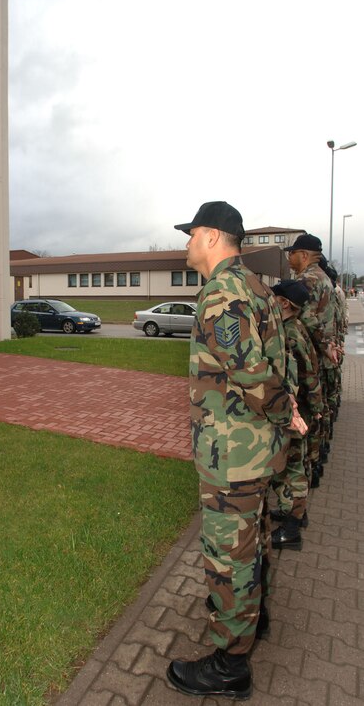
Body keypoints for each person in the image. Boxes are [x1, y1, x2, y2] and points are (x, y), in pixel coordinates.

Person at [166, 202, 306, 700]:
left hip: (234, 455)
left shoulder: (222, 292)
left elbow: (250, 371)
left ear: (211, 236)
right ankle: (253, 616)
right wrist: (286, 410)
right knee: (253, 540)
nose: (186, 243)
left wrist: (283, 410)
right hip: (256, 450)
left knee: (229, 555)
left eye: (191, 234)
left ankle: (230, 664)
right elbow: (277, 362)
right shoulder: (257, 287)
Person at [270, 279, 323, 550]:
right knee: (294, 465)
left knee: (291, 468)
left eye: (274, 299)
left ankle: (292, 528)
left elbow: (308, 374)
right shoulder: (294, 327)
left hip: (296, 412)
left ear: (284, 303)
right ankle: (293, 512)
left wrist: (314, 410)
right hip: (301, 409)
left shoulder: (290, 334)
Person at [285, 234, 337, 488]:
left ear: (304, 255)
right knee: (320, 412)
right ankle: (316, 463)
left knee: (308, 417)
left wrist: (324, 346)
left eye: (292, 253)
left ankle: (306, 473)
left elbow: (305, 317)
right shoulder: (324, 278)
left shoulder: (308, 279)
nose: (289, 257)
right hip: (322, 360)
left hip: (310, 360)